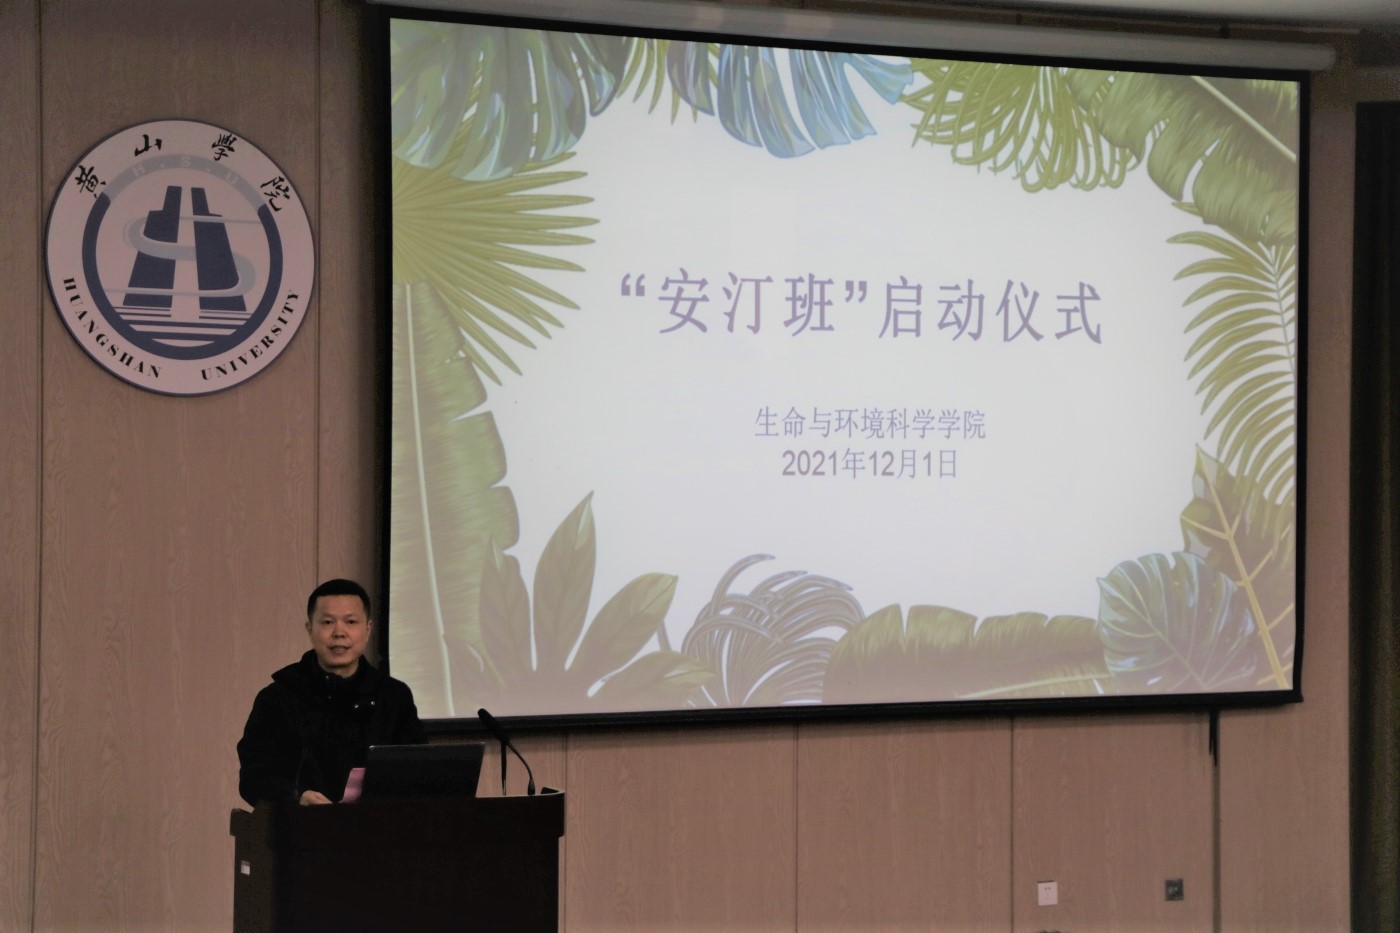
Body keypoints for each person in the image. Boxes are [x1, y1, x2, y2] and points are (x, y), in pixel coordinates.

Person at [237, 578, 426, 806]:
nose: (339, 632)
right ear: (310, 629)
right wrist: (297, 795)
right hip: (301, 824)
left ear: (368, 628)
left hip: (377, 825)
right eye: (327, 622)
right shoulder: (279, 697)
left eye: (351, 622)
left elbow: (418, 771)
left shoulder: (394, 697)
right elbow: (253, 778)